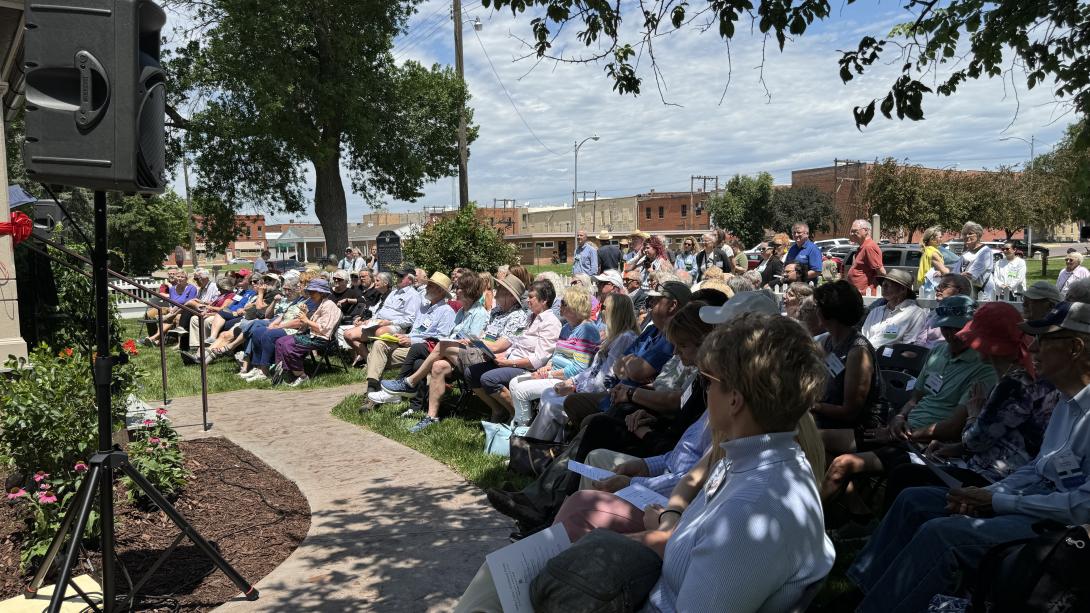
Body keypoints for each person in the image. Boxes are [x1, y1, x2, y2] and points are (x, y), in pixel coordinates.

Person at [846, 300, 1090, 613]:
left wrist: (996, 500)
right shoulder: (1066, 404)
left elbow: (1082, 507)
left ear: (1075, 348)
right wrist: (983, 495)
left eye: (1044, 340)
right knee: (914, 500)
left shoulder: (1058, 400)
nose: (1034, 347)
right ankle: (863, 589)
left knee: (943, 535)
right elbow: (1038, 469)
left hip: (1062, 530)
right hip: (1027, 499)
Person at [642, 312, 835, 611]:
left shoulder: (749, 514)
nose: (706, 392)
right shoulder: (750, 461)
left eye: (709, 382)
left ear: (734, 398)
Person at [880, 301, 1061, 510]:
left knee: (905, 477)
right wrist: (953, 448)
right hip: (999, 471)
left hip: (994, 479)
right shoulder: (1022, 377)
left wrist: (973, 415)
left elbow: (975, 441)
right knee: (905, 470)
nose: (964, 340)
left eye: (973, 336)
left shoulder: (1012, 384)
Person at [823, 295, 998, 510]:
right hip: (899, 431)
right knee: (814, 440)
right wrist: (899, 417)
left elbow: (953, 429)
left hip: (923, 444)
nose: (951, 335)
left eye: (957, 329)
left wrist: (902, 433)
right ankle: (859, 512)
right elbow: (915, 397)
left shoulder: (982, 368)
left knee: (842, 464)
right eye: (945, 328)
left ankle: (811, 521)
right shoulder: (938, 352)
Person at [525, 293, 640, 442]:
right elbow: (592, 369)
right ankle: (552, 444)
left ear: (616, 311)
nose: (601, 310)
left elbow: (605, 378)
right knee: (550, 393)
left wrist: (575, 388)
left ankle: (530, 446)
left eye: (604, 307)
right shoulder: (615, 336)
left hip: (604, 396)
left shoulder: (625, 338)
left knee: (552, 405)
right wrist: (572, 382)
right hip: (590, 388)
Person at [466, 280, 562, 423]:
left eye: (531, 297)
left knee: (488, 379)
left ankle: (519, 416)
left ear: (544, 300)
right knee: (470, 373)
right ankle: (499, 410)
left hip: (526, 368)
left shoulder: (550, 323)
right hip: (510, 360)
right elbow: (514, 342)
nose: (527, 301)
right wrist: (498, 355)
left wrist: (510, 363)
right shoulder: (529, 318)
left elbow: (539, 359)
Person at [507, 288, 601, 427]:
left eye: (564, 303)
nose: (559, 305)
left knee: (521, 390)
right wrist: (546, 367)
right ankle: (524, 423)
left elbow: (579, 368)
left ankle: (523, 427)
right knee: (514, 382)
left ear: (575, 306)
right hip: (554, 374)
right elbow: (556, 355)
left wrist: (548, 375)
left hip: (567, 381)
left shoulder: (587, 330)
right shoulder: (566, 328)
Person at [364, 272, 457, 400]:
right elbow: (416, 330)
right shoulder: (423, 308)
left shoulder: (446, 312)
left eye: (430, 286)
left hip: (422, 350)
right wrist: (403, 336)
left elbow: (440, 339)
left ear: (440, 291)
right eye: (428, 285)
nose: (426, 288)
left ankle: (385, 393)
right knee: (379, 344)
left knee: (374, 356)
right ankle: (373, 387)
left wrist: (412, 340)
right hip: (407, 344)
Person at [812, 281, 880, 455]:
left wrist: (813, 406)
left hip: (859, 430)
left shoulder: (858, 351)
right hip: (826, 420)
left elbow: (850, 412)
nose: (815, 310)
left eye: (817, 306)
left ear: (830, 312)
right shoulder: (827, 341)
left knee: (800, 440)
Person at [265, 279, 341, 386]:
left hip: (320, 338)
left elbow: (324, 329)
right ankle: (286, 371)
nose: (310, 294)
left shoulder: (329, 305)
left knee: (288, 345)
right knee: (280, 341)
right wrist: (306, 314)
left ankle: (301, 375)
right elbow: (310, 323)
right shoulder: (320, 303)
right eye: (309, 292)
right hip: (313, 334)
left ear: (322, 293)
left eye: (313, 292)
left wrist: (306, 319)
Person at [860, 269, 928, 348]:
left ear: (902, 289)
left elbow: (909, 346)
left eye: (888, 285)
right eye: (883, 284)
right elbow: (864, 336)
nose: (883, 287)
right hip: (865, 353)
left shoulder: (915, 314)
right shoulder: (876, 311)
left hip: (891, 357)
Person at [909, 273, 974, 348]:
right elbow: (920, 340)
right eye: (938, 286)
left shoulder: (967, 317)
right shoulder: (933, 313)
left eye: (944, 286)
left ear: (959, 290)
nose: (937, 289)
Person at [141, 270, 198, 346]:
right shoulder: (172, 289)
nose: (180, 278)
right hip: (172, 310)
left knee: (173, 317)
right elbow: (170, 301)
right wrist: (171, 308)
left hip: (185, 311)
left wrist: (174, 311)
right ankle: (157, 338)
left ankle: (155, 338)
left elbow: (188, 304)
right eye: (178, 276)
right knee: (153, 314)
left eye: (182, 277)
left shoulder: (191, 288)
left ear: (186, 278)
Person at [954, 221, 996, 300]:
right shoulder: (965, 253)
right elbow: (955, 272)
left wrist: (958, 276)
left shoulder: (985, 252)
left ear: (978, 235)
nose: (967, 236)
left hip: (982, 295)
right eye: (964, 234)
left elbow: (972, 275)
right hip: (966, 293)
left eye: (970, 233)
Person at [847, 219, 885, 292]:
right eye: (851, 231)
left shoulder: (869, 247)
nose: (851, 234)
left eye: (855, 231)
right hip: (858, 294)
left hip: (866, 296)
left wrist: (869, 290)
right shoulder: (863, 247)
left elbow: (881, 272)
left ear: (866, 230)